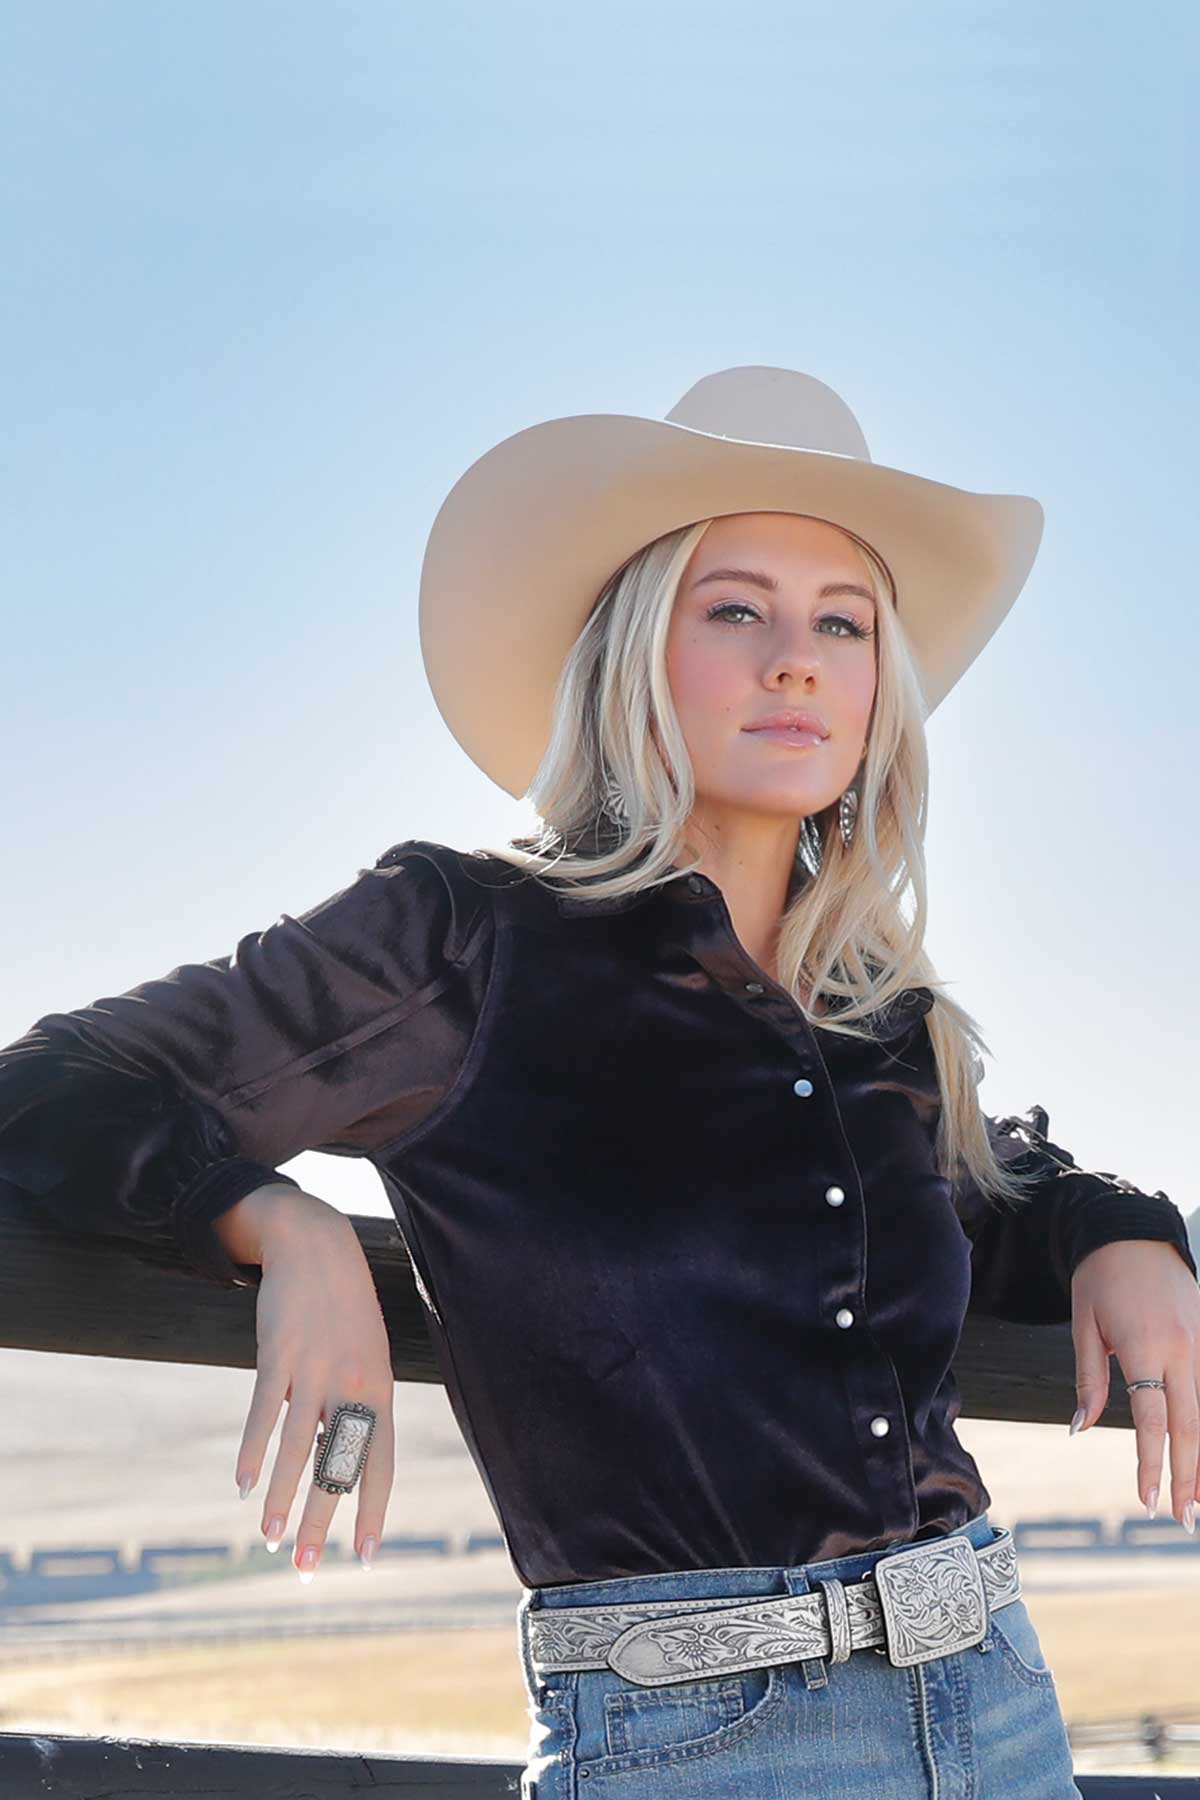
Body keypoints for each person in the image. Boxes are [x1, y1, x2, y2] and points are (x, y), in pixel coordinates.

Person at [2, 365, 1197, 1798]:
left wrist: (1122, 1228)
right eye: (736, 609)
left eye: (843, 623)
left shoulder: (878, 1014)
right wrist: (275, 1221)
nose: (795, 660)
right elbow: (58, 1085)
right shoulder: (465, 939)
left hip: (991, 1698)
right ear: (638, 648)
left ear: (883, 690)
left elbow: (984, 1202)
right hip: (694, 1744)